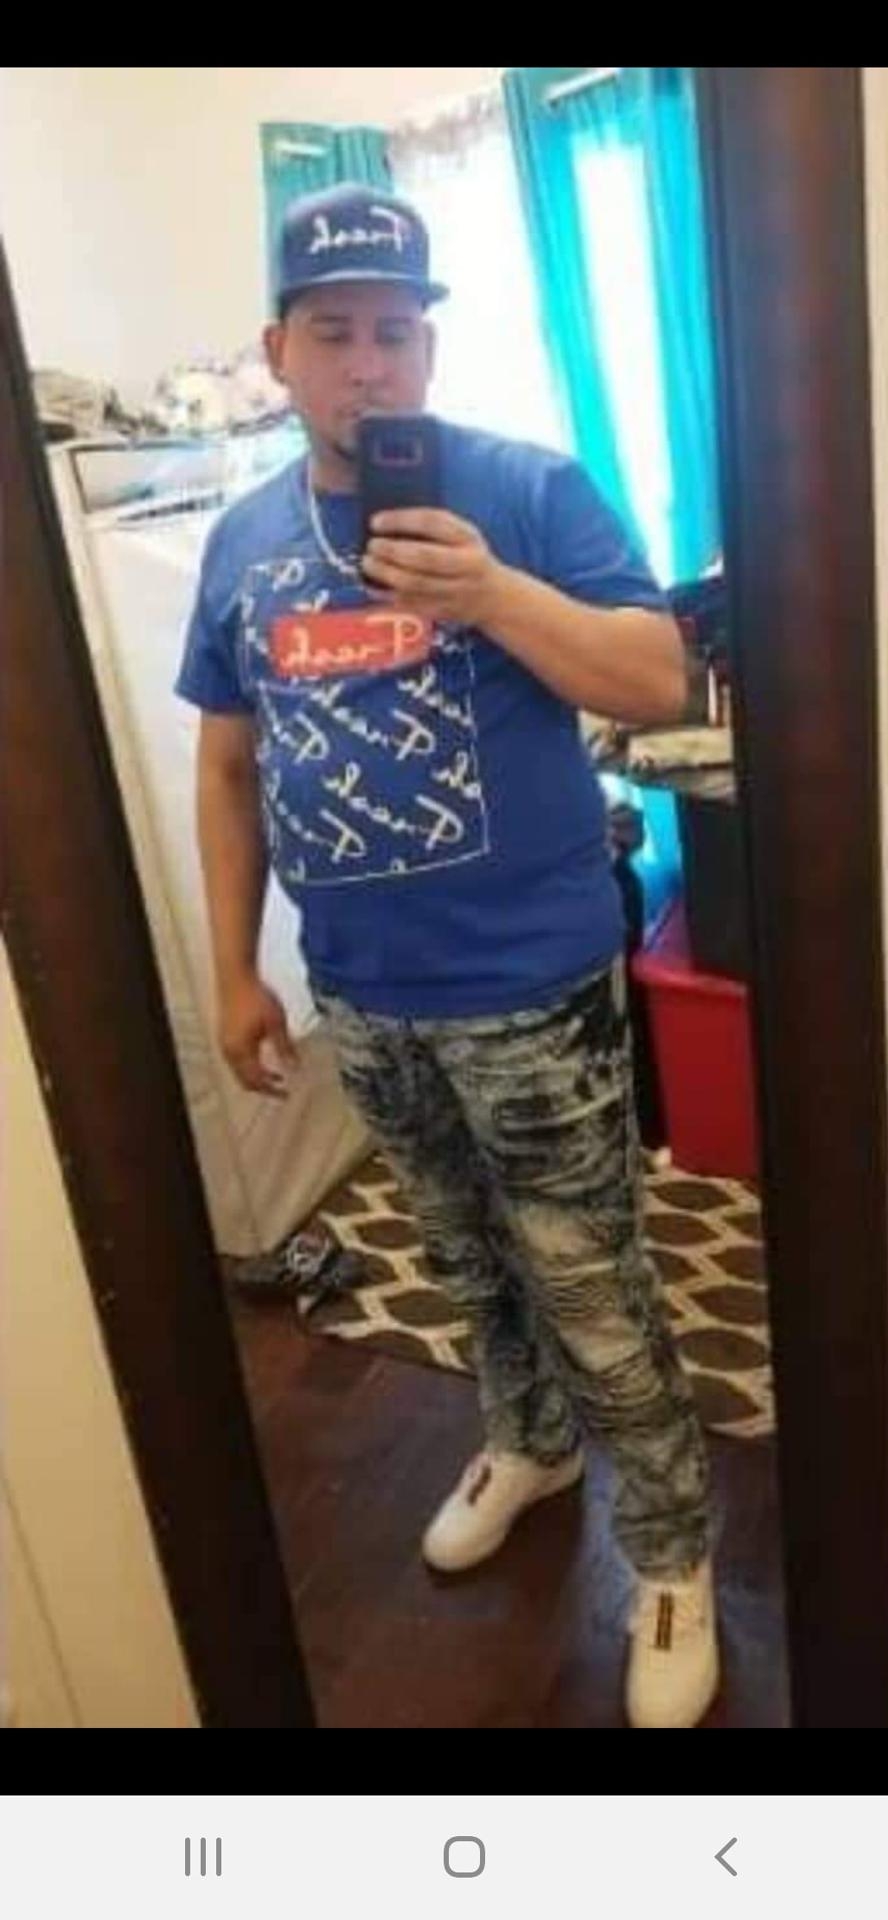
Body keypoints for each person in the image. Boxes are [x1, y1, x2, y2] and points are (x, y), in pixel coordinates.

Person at [176, 182, 717, 1729]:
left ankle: (670, 1550)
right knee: (463, 1258)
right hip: (362, 990)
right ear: (277, 351)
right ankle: (527, 1442)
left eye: (394, 333)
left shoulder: (527, 488)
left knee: (590, 1278)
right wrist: (236, 968)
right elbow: (227, 763)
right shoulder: (241, 543)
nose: (367, 365)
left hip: (531, 990)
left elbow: (659, 681)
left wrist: (488, 591)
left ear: (427, 346)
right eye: (332, 333)